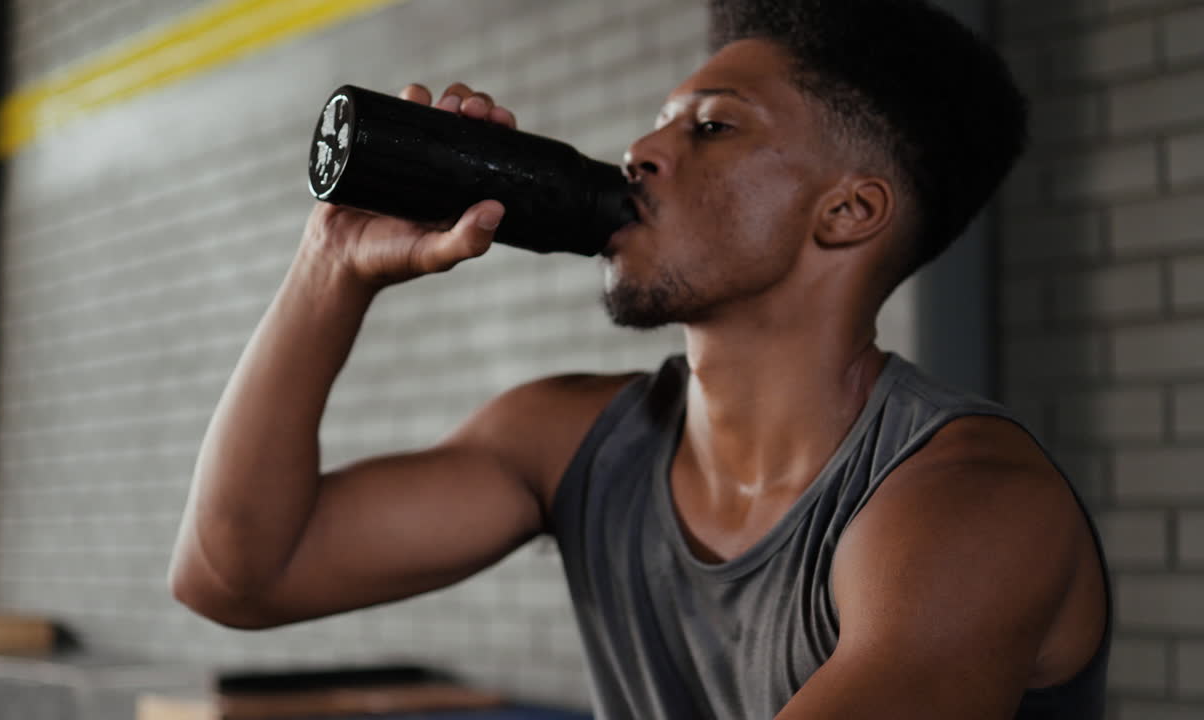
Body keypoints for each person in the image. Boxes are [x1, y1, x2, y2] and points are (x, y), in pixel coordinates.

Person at [169, 0, 1110, 717]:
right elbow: (237, 574)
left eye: (711, 127)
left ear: (848, 212)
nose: (641, 150)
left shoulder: (968, 506)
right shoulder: (568, 439)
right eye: (661, 119)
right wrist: (329, 267)